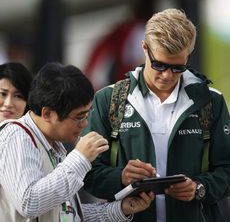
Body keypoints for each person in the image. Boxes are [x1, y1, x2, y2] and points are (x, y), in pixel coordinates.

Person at [82, 8, 230, 222]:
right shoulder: (108, 100)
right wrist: (121, 177)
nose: (168, 75)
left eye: (178, 67)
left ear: (189, 54)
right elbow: (87, 172)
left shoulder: (211, 101)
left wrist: (199, 188)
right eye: (159, 65)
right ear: (144, 48)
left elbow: (226, 169)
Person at [0, 62, 154, 222]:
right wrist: (80, 157)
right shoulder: (16, 135)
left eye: (87, 114)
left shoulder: (53, 143)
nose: (85, 124)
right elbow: (29, 203)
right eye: (79, 117)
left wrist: (120, 209)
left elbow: (65, 213)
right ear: (47, 114)